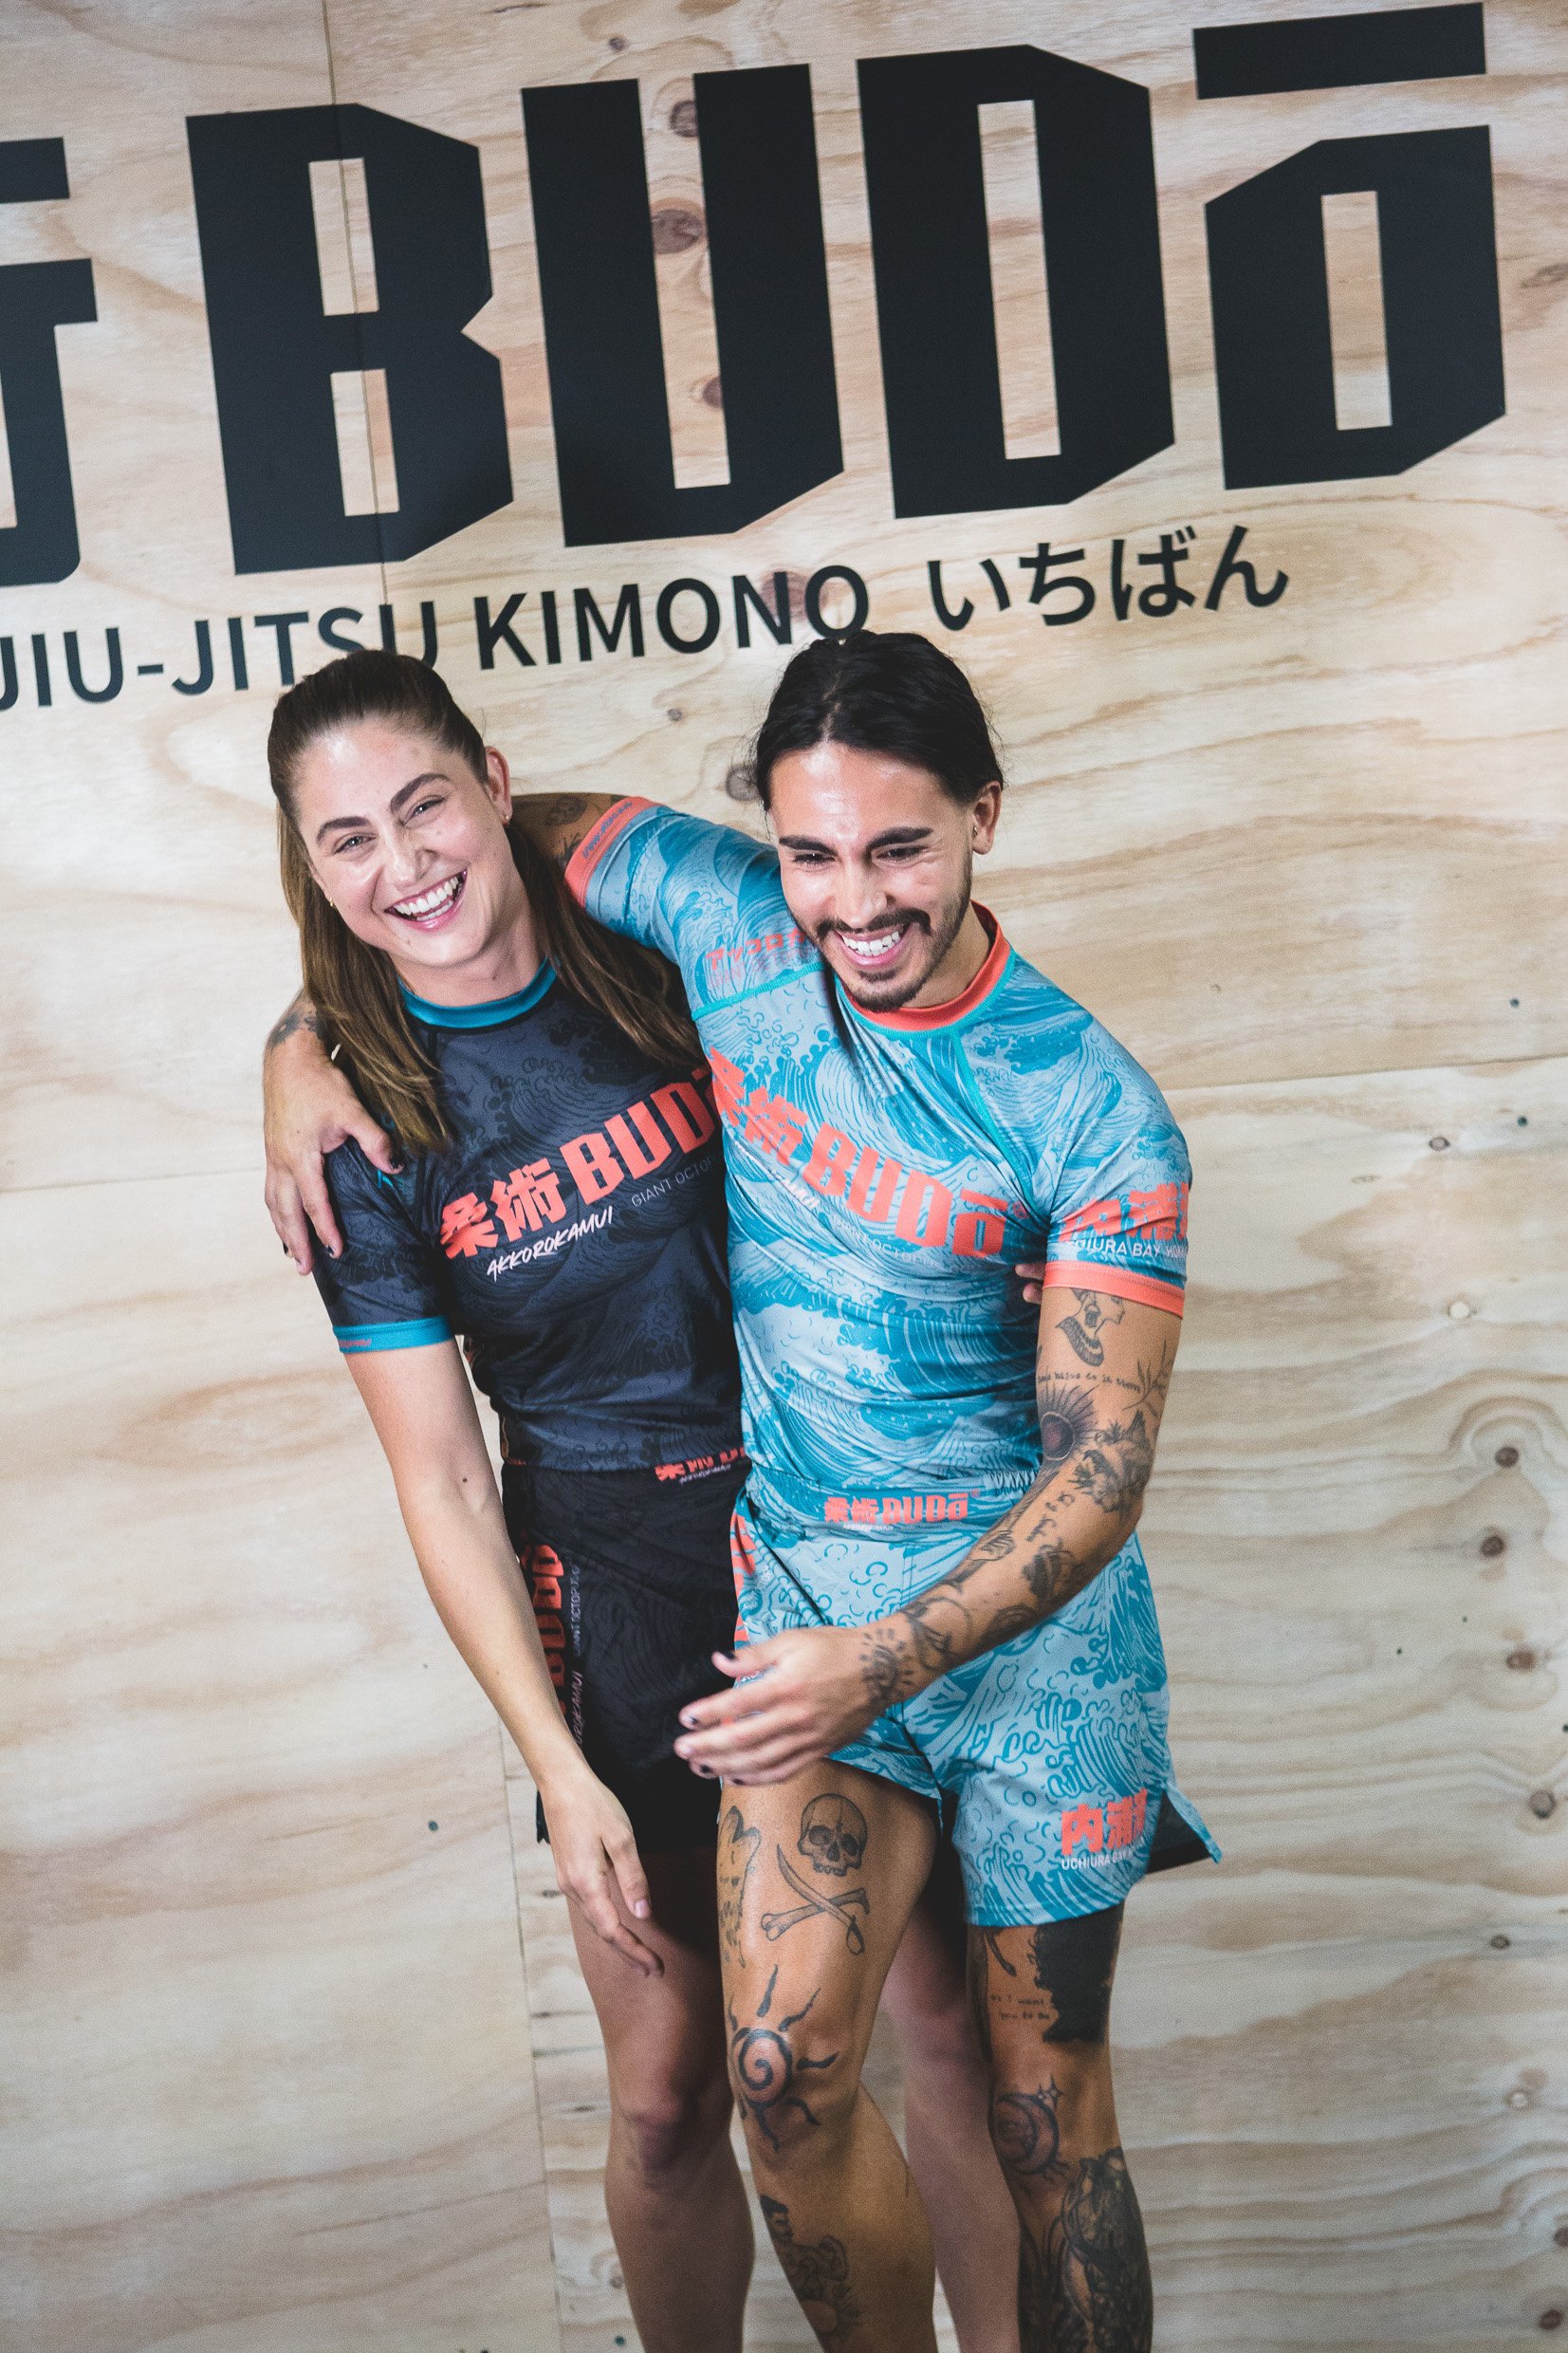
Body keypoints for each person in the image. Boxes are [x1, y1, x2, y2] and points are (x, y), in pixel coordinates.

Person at [267, 632, 1218, 2353]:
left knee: (1024, 2093)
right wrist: (296, 1036)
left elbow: (1103, 1468)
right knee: (748, 2078)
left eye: (897, 848)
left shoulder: (1085, 1106)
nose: (851, 901)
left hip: (997, 1627)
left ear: (983, 816)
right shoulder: (709, 920)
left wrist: (883, 1658)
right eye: (811, 853)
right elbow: (443, 862)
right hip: (740, 1595)